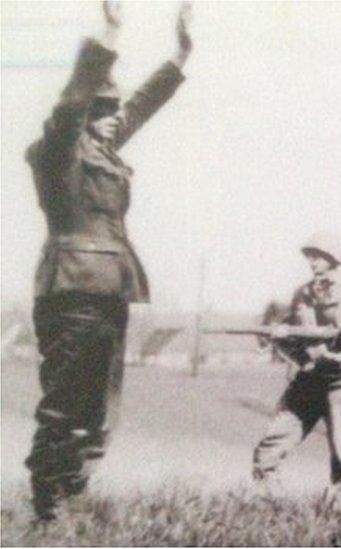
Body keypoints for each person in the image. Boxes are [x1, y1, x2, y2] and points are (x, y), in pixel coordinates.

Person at [23, 0, 192, 522]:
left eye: (108, 114)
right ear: (85, 117)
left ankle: (72, 493)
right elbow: (72, 103)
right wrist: (109, 33)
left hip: (110, 289)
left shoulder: (101, 150)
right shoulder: (59, 152)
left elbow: (138, 106)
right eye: (102, 112)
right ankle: (49, 502)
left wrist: (179, 57)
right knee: (65, 402)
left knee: (99, 410)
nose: (110, 121)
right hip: (72, 288)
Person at [252, 232, 341, 493]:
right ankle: (268, 499)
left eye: (318, 256)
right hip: (308, 377)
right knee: (271, 445)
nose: (312, 261)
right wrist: (279, 334)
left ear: (332, 258)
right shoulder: (302, 293)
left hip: (339, 379)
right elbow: (293, 329)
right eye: (309, 256)